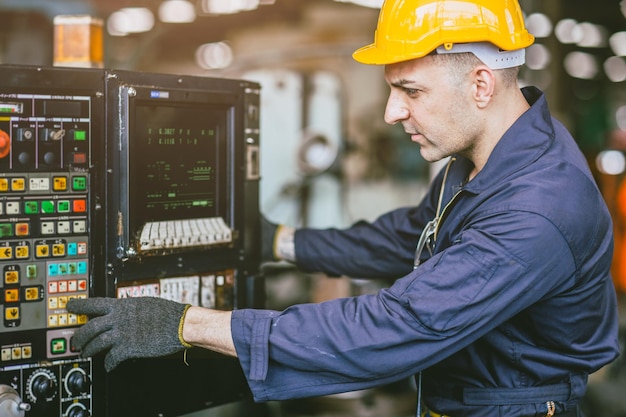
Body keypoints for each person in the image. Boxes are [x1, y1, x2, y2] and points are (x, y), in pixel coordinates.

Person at [67, 0, 621, 416]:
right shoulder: (488, 156)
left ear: (480, 83)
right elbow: (412, 236)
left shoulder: (537, 209)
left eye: (411, 90)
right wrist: (281, 241)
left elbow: (395, 328)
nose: (389, 112)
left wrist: (189, 324)